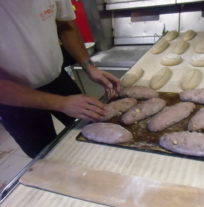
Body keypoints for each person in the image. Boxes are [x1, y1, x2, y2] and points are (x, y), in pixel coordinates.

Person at [0, 0, 120, 158]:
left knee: (95, 128)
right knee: (47, 156)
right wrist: (61, 103)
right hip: (14, 97)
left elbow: (65, 25)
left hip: (57, 78)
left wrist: (89, 66)